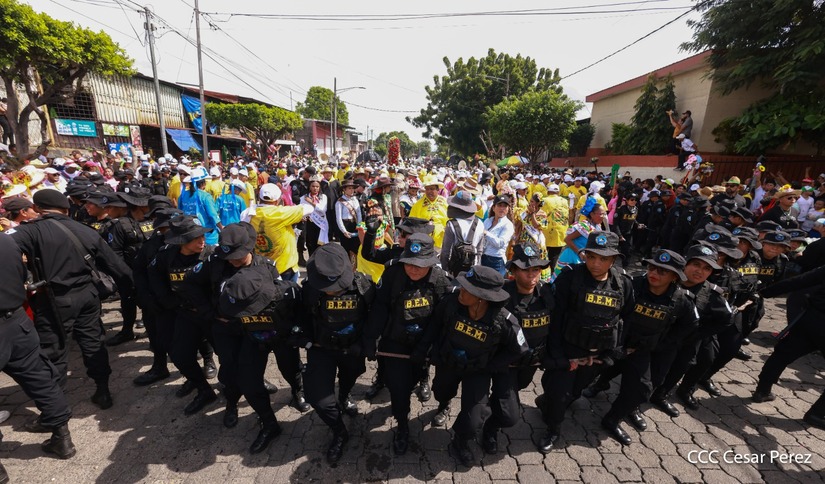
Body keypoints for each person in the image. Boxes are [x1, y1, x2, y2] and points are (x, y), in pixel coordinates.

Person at [8, 189, 133, 418]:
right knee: (93, 342)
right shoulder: (85, 230)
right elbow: (117, 267)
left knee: (53, 351)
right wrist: (135, 292)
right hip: (88, 295)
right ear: (66, 209)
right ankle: (103, 391)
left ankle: (54, 410)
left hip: (54, 299)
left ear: (37, 208)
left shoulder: (28, 231)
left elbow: (5, 250)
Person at [412, 265, 528, 467]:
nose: (461, 290)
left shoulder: (503, 319)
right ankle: (444, 404)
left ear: (482, 298)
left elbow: (520, 348)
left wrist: (492, 365)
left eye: (468, 289)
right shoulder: (451, 302)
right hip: (449, 363)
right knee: (441, 392)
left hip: (477, 371)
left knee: (474, 418)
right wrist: (422, 351)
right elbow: (434, 325)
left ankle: (461, 440)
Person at [582, 249, 697, 445]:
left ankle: (613, 419)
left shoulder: (681, 300)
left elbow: (690, 325)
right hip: (616, 342)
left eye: (662, 271)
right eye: (652, 267)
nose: (654, 273)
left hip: (644, 349)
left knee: (642, 389)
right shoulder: (631, 285)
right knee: (584, 375)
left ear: (675, 277)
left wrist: (661, 344)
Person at [536, 232, 634, 453]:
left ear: (613, 259)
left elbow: (626, 318)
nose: (596, 263)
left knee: (575, 392)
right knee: (559, 394)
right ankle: (553, 429)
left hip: (597, 355)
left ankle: (547, 403)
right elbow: (556, 317)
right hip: (569, 350)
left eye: (603, 258)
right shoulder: (570, 277)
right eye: (591, 257)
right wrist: (557, 355)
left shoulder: (623, 284)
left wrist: (612, 353)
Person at [362, 233, 453, 455]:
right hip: (396, 341)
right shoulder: (393, 273)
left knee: (413, 378)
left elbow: (442, 319)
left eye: (420, 265)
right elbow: (380, 308)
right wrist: (371, 338)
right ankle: (402, 425)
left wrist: (429, 347)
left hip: (425, 342)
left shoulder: (441, 280)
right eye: (409, 263)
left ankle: (422, 384)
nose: (413, 269)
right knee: (398, 388)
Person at [0, 233, 76, 463]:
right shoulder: (6, 241)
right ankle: (62, 437)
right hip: (17, 322)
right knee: (40, 378)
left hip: (14, 321)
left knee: (39, 377)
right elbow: (23, 276)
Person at [298, 244, 375, 465]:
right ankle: (339, 431)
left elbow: (374, 318)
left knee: (351, 374)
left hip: (353, 348)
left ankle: (344, 395)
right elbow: (301, 316)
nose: (332, 291)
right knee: (319, 400)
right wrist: (303, 337)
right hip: (322, 348)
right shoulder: (309, 290)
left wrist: (365, 344)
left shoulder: (364, 286)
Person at [147, 216, 218, 415]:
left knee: (230, 356)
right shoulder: (166, 256)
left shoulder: (211, 255)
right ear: (181, 242)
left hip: (211, 315)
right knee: (180, 355)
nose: (202, 241)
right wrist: (168, 300)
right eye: (195, 238)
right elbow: (153, 274)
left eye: (202, 236)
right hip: (186, 313)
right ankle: (203, 389)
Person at [651, 243, 732, 416]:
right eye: (696, 264)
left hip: (686, 341)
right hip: (658, 335)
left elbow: (726, 319)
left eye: (707, 268)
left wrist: (699, 334)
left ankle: (661, 395)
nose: (700, 271)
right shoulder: (669, 280)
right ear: (685, 263)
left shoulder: (712, 294)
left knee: (681, 365)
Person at [751, 264, 825, 431]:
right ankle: (817, 414)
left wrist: (764, 292)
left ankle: (762, 391)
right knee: (782, 355)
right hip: (814, 318)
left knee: (782, 355)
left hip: (811, 319)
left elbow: (801, 280)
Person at [243, 183, 313, 282]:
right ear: (277, 200)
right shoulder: (281, 213)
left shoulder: (247, 213)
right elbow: (309, 208)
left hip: (260, 266)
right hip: (284, 267)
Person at [550, 196, 605, 282]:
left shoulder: (597, 227)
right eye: (601, 214)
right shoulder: (583, 226)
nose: (603, 216)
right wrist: (579, 252)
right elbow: (567, 240)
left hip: (584, 258)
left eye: (604, 214)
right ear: (592, 214)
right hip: (572, 257)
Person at [441, 191, 484, 277]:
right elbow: (479, 251)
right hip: (472, 269)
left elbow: (446, 252)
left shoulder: (451, 224)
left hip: (454, 270)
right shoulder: (480, 224)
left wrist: (444, 271)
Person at [408, 175, 448, 249]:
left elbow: (451, 220)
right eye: (427, 189)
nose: (429, 191)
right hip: (423, 243)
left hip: (442, 241)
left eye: (432, 189)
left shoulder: (445, 203)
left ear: (437, 189)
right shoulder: (418, 205)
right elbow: (411, 223)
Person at [481, 194, 514, 276]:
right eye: (499, 205)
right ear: (493, 208)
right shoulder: (488, 221)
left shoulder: (508, 225)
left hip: (496, 261)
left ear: (508, 209)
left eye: (505, 206)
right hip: (483, 258)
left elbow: (500, 243)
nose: (502, 208)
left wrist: (486, 233)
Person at [541, 183, 569, 268]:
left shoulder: (544, 200)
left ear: (548, 192)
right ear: (558, 192)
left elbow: (541, 216)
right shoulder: (564, 201)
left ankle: (544, 271)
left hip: (547, 231)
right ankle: (552, 271)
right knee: (554, 256)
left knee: (543, 254)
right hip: (561, 231)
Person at [335, 179, 362, 262]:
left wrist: (359, 226)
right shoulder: (339, 202)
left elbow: (359, 214)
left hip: (354, 225)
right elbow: (338, 218)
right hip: (345, 225)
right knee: (346, 249)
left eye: (353, 188)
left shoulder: (355, 200)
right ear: (344, 190)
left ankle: (355, 267)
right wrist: (344, 231)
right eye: (349, 188)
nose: (352, 190)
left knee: (355, 248)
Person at [301, 175, 329, 255]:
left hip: (320, 223)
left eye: (317, 186)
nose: (315, 188)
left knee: (320, 244)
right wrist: (302, 216)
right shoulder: (304, 197)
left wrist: (311, 202)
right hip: (309, 223)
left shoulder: (323, 197)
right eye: (313, 186)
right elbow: (301, 208)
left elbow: (323, 209)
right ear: (309, 187)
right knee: (310, 244)